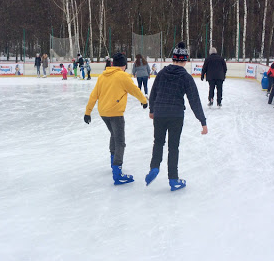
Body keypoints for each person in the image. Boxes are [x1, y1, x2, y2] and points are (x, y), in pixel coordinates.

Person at [145, 43, 208, 191]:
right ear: (185, 61)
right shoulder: (185, 77)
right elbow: (194, 100)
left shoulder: (161, 73)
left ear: (172, 59)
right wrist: (203, 122)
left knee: (158, 142)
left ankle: (154, 167)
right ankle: (173, 179)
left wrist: (152, 110)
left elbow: (153, 92)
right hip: (176, 115)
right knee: (173, 147)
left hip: (160, 113)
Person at [84, 53, 148, 185]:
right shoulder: (123, 76)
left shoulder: (102, 76)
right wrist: (143, 101)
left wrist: (88, 112)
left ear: (113, 64)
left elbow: (93, 95)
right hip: (115, 113)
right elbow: (134, 90)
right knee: (120, 142)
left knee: (114, 135)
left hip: (103, 112)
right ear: (124, 65)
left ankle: (113, 163)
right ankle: (117, 173)